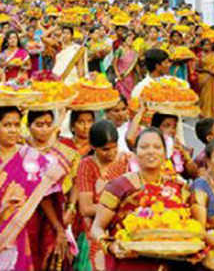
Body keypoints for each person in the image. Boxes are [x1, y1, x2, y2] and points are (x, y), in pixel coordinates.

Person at [91, 127, 189, 270]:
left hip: (168, 263)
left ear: (165, 153)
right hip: (130, 263)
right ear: (135, 153)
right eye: (144, 147)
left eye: (157, 147)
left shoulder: (177, 187)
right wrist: (111, 246)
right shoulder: (119, 186)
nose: (151, 151)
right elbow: (97, 227)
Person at [0, 106, 63, 270]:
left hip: (17, 229)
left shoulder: (30, 157)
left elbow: (46, 193)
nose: (13, 130)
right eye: (7, 125)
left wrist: (58, 228)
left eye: (16, 125)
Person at [25, 110, 81, 270]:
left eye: (48, 124)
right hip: (28, 215)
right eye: (39, 125)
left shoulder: (66, 152)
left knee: (54, 259)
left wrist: (71, 207)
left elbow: (76, 181)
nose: (44, 129)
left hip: (58, 212)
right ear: (29, 126)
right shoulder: (22, 150)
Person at [77, 120, 132, 271]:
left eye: (114, 147)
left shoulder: (125, 160)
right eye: (105, 149)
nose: (111, 153)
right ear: (93, 147)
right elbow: (86, 208)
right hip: (95, 229)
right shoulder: (87, 165)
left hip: (121, 228)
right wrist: (113, 208)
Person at [196, 38, 214, 119]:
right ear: (202, 46)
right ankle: (204, 113)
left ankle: (213, 114)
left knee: (212, 96)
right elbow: (196, 68)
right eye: (206, 44)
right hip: (203, 77)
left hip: (212, 77)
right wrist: (206, 70)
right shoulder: (199, 55)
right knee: (204, 96)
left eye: (209, 44)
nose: (208, 46)